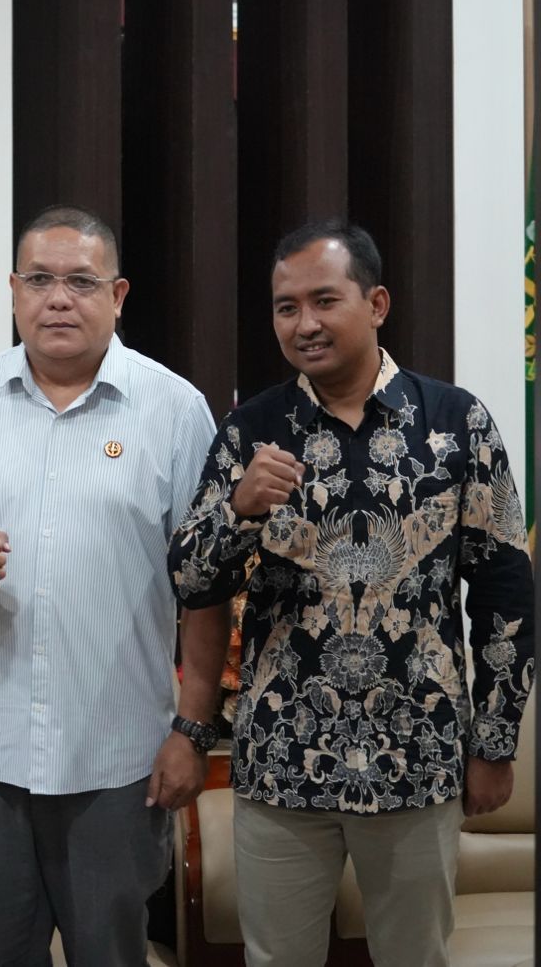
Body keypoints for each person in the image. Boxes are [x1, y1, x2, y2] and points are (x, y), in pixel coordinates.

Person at [168, 220, 534, 967]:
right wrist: (239, 509)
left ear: (377, 303)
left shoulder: (456, 423)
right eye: (286, 307)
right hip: (282, 759)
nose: (304, 323)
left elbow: (506, 594)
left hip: (417, 755)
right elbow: (190, 581)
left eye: (324, 300)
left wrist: (495, 744)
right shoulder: (251, 430)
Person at [0, 205, 227, 967]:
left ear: (118, 294)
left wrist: (192, 730)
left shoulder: (176, 409)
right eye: (39, 280)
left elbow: (206, 588)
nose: (58, 299)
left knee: (111, 954)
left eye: (81, 281)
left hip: (119, 758)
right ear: (14, 291)